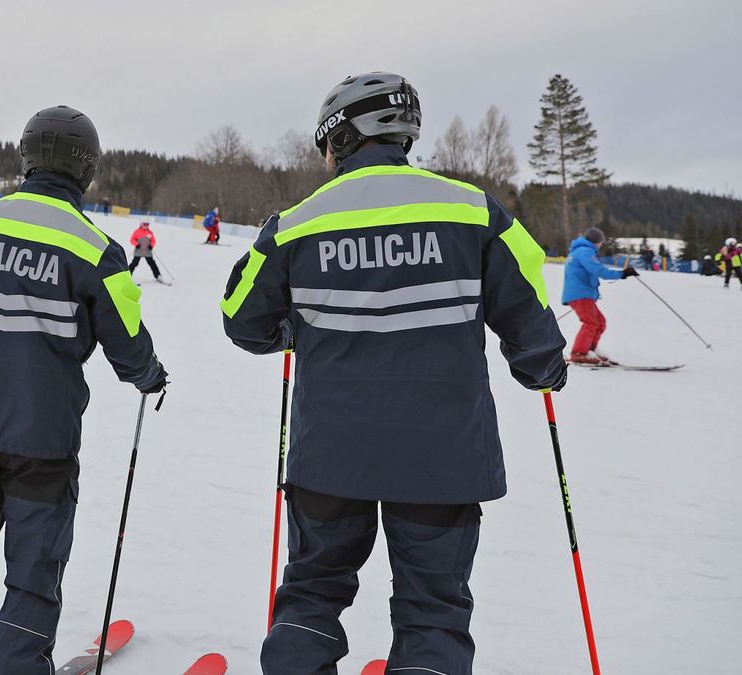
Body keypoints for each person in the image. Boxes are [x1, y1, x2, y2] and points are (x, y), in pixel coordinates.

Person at [220, 72, 567, 675]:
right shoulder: (473, 210)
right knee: (433, 611)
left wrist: (293, 332)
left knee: (312, 593)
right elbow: (530, 307)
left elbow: (241, 318)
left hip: (330, 455)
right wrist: (541, 369)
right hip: (443, 457)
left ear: (340, 137)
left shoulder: (298, 221)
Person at [0, 105, 167, 675]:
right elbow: (127, 341)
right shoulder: (96, 249)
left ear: (26, 159)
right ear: (86, 170)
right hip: (41, 443)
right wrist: (150, 377)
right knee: (31, 582)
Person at [562, 227, 639, 364]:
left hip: (581, 294)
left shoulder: (580, 251)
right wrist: (622, 274)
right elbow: (598, 270)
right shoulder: (585, 252)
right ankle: (578, 353)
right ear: (597, 241)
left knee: (600, 322)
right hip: (580, 294)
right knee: (591, 323)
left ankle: (590, 350)